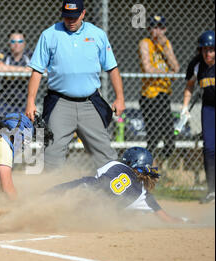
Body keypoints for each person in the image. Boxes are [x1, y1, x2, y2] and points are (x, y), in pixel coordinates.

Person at [25, 0, 125, 171]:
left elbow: (112, 68)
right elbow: (37, 70)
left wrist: (120, 98)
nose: (70, 21)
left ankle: (114, 194)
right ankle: (53, 195)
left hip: (90, 102)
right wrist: (30, 101)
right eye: (67, 17)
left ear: (83, 14)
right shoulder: (50, 34)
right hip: (60, 102)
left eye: (75, 17)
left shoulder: (97, 34)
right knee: (52, 154)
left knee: (105, 155)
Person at [47, 147, 189, 223]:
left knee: (52, 196)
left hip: (86, 189)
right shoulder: (143, 195)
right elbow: (167, 219)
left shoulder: (115, 164)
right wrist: (183, 220)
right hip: (98, 211)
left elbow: (100, 179)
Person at [138, 15, 180, 164]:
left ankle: (159, 164)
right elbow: (148, 68)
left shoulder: (166, 44)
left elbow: (176, 68)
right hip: (149, 95)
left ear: (165, 29)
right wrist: (167, 73)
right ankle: (143, 167)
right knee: (154, 137)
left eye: (161, 27)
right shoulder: (145, 43)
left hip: (163, 95)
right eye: (154, 27)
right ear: (149, 29)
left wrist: (164, 48)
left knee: (170, 140)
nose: (158, 31)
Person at [180, 30, 215, 204]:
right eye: (205, 50)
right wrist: (185, 107)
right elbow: (189, 86)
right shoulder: (196, 65)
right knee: (209, 148)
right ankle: (211, 190)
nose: (208, 53)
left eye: (212, 49)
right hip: (208, 108)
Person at [0, 31, 32, 120]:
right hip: (4, 99)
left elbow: (40, 69)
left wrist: (8, 69)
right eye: (13, 41)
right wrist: (24, 70)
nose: (17, 44)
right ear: (9, 43)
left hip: (23, 99)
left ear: (24, 43)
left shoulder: (30, 55)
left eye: (20, 41)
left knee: (24, 128)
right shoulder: (3, 54)